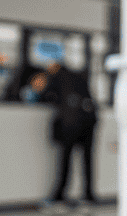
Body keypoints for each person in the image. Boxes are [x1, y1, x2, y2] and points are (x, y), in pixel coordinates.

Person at [41, 61, 98, 205]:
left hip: (70, 122)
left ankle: (59, 195)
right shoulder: (79, 76)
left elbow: (46, 95)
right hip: (89, 121)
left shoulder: (56, 77)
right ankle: (89, 195)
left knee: (65, 159)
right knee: (87, 159)